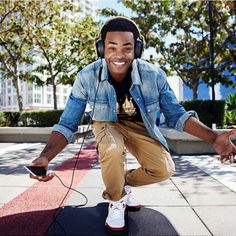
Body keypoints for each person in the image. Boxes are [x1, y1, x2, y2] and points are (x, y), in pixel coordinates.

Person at [29, 16, 236, 233]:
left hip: (140, 125)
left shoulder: (153, 76)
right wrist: (46, 157)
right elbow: (67, 123)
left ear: (137, 49)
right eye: (111, 47)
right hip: (106, 123)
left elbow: (176, 115)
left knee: (163, 169)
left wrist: (213, 137)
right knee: (112, 148)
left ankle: (120, 183)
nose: (119, 55)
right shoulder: (86, 77)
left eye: (127, 48)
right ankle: (116, 200)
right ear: (101, 49)